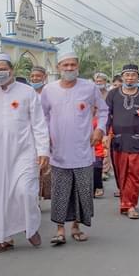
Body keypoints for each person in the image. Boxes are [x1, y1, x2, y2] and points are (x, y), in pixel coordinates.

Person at [0, 54, 49, 253]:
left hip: (24, 151)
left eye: (2, 69)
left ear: (11, 70)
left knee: (26, 191)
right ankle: (2, 238)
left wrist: (43, 150)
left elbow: (39, 123)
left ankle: (30, 227)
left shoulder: (27, 92)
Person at [41, 53, 107, 245]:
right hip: (58, 150)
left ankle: (76, 227)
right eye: (65, 65)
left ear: (77, 67)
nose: (69, 68)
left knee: (81, 190)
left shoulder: (89, 87)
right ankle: (59, 229)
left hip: (83, 149)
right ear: (59, 67)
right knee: (60, 191)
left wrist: (99, 130)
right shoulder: (49, 90)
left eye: (72, 65)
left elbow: (103, 110)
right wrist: (46, 137)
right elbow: (42, 116)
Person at [105, 64, 139, 219]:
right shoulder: (113, 94)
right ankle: (125, 201)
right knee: (121, 174)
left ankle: (130, 205)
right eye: (127, 75)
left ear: (137, 77)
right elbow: (106, 115)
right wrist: (105, 134)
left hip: (137, 139)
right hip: (118, 140)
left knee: (134, 173)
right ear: (122, 76)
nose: (130, 78)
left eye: (133, 75)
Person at [30, 66, 52, 201]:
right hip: (30, 135)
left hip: (47, 133)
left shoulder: (49, 93)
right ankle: (33, 198)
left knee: (44, 166)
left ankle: (40, 195)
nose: (34, 78)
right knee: (33, 166)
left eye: (38, 76)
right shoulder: (27, 93)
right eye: (32, 76)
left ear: (44, 77)